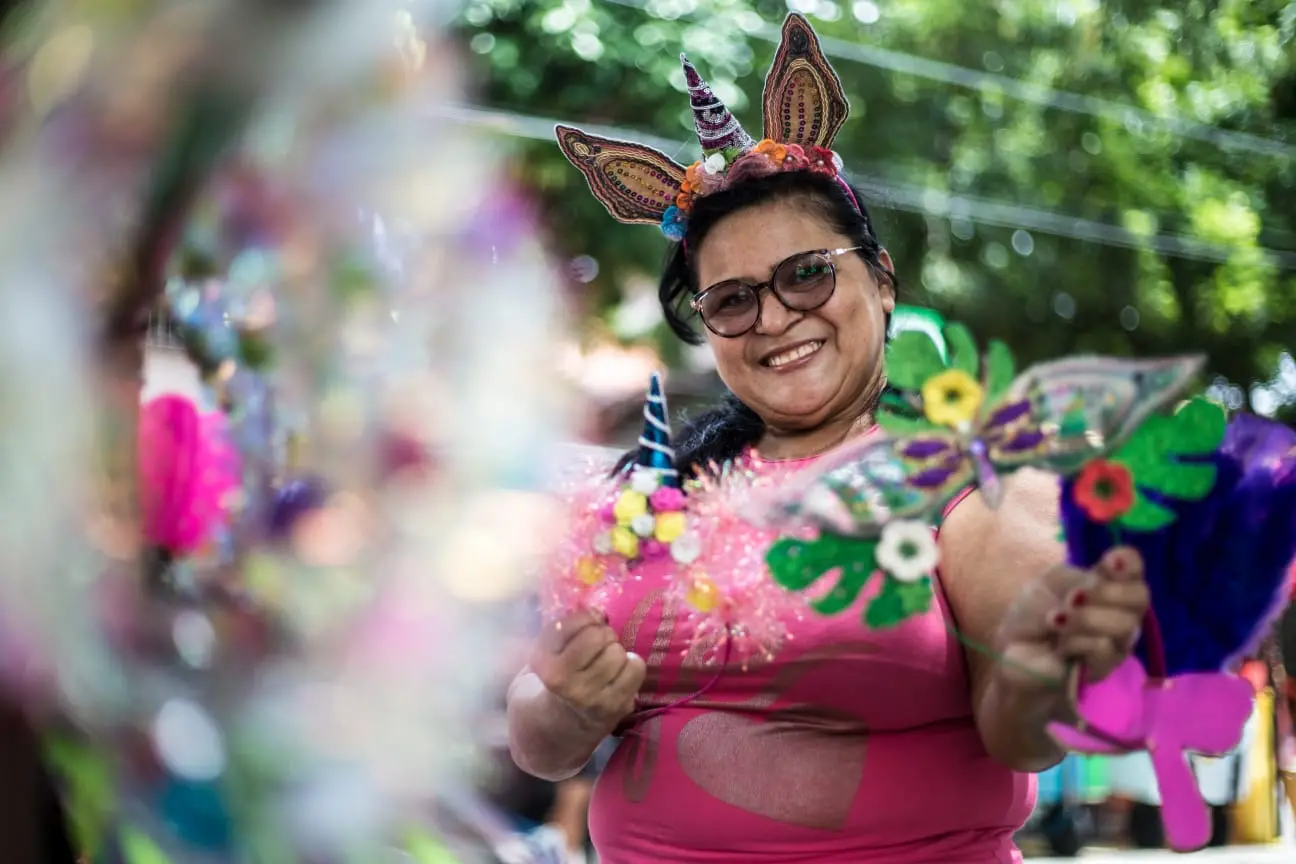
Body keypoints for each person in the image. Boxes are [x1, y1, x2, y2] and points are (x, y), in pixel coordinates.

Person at [508, 13, 1150, 863]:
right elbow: (540, 742)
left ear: (881, 283)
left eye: (807, 274)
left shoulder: (970, 481)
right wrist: (567, 704)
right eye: (732, 299)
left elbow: (1025, 737)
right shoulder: (654, 492)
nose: (774, 318)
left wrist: (1041, 673)